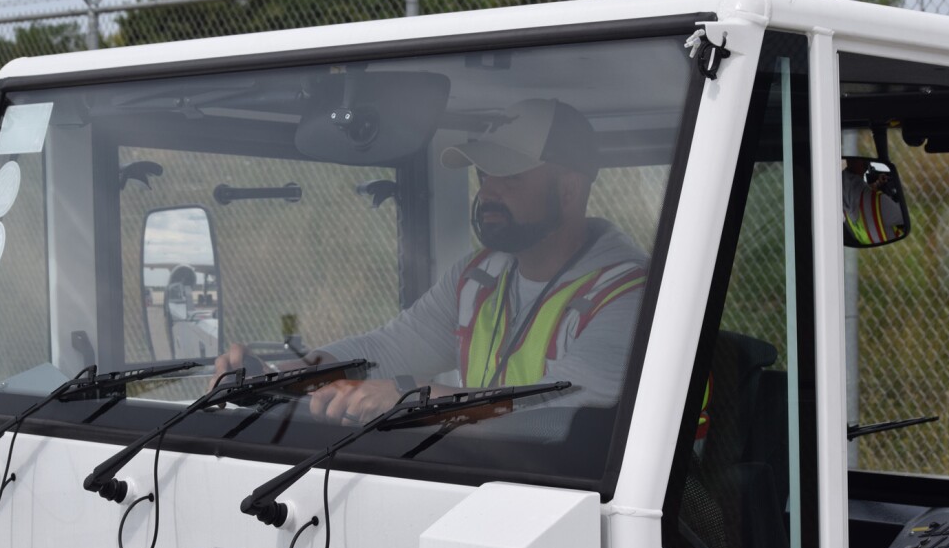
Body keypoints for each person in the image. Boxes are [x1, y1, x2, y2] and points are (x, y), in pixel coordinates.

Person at [217, 98, 648, 424]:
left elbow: (552, 415)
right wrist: (282, 375)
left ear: (570, 190)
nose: (489, 193)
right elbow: (385, 350)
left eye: (510, 177)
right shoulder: (480, 276)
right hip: (495, 486)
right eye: (483, 175)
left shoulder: (630, 298)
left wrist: (413, 399)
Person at [842, 157, 905, 246]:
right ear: (863, 163)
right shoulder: (879, 202)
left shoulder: (843, 199)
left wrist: (878, 183)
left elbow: (860, 192)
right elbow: (905, 216)